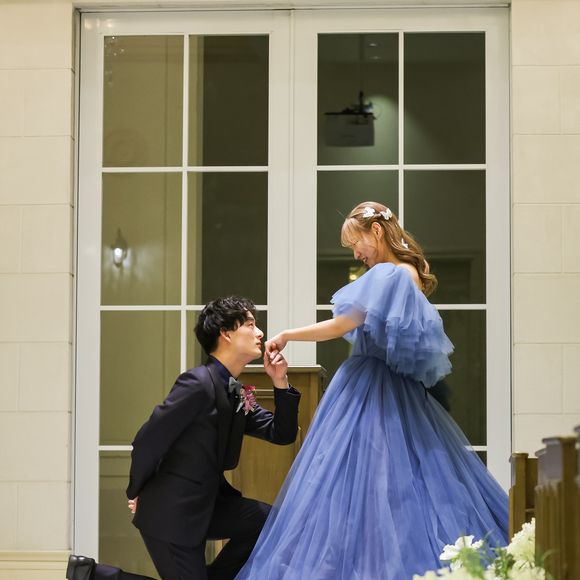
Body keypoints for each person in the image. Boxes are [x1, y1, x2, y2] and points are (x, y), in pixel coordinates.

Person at [235, 202, 508, 580]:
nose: (355, 254)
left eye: (356, 243)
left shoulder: (390, 274)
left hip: (369, 389)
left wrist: (287, 335)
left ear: (376, 232)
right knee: (399, 484)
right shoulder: (409, 274)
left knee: (355, 481)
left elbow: (344, 323)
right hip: (397, 390)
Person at [67, 296, 301, 580]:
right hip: (171, 512)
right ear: (226, 333)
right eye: (250, 325)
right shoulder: (197, 383)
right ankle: (94, 575)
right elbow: (148, 440)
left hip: (207, 505)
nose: (260, 332)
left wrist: (280, 381)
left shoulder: (237, 392)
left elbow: (282, 433)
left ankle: (90, 574)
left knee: (267, 521)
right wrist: (137, 491)